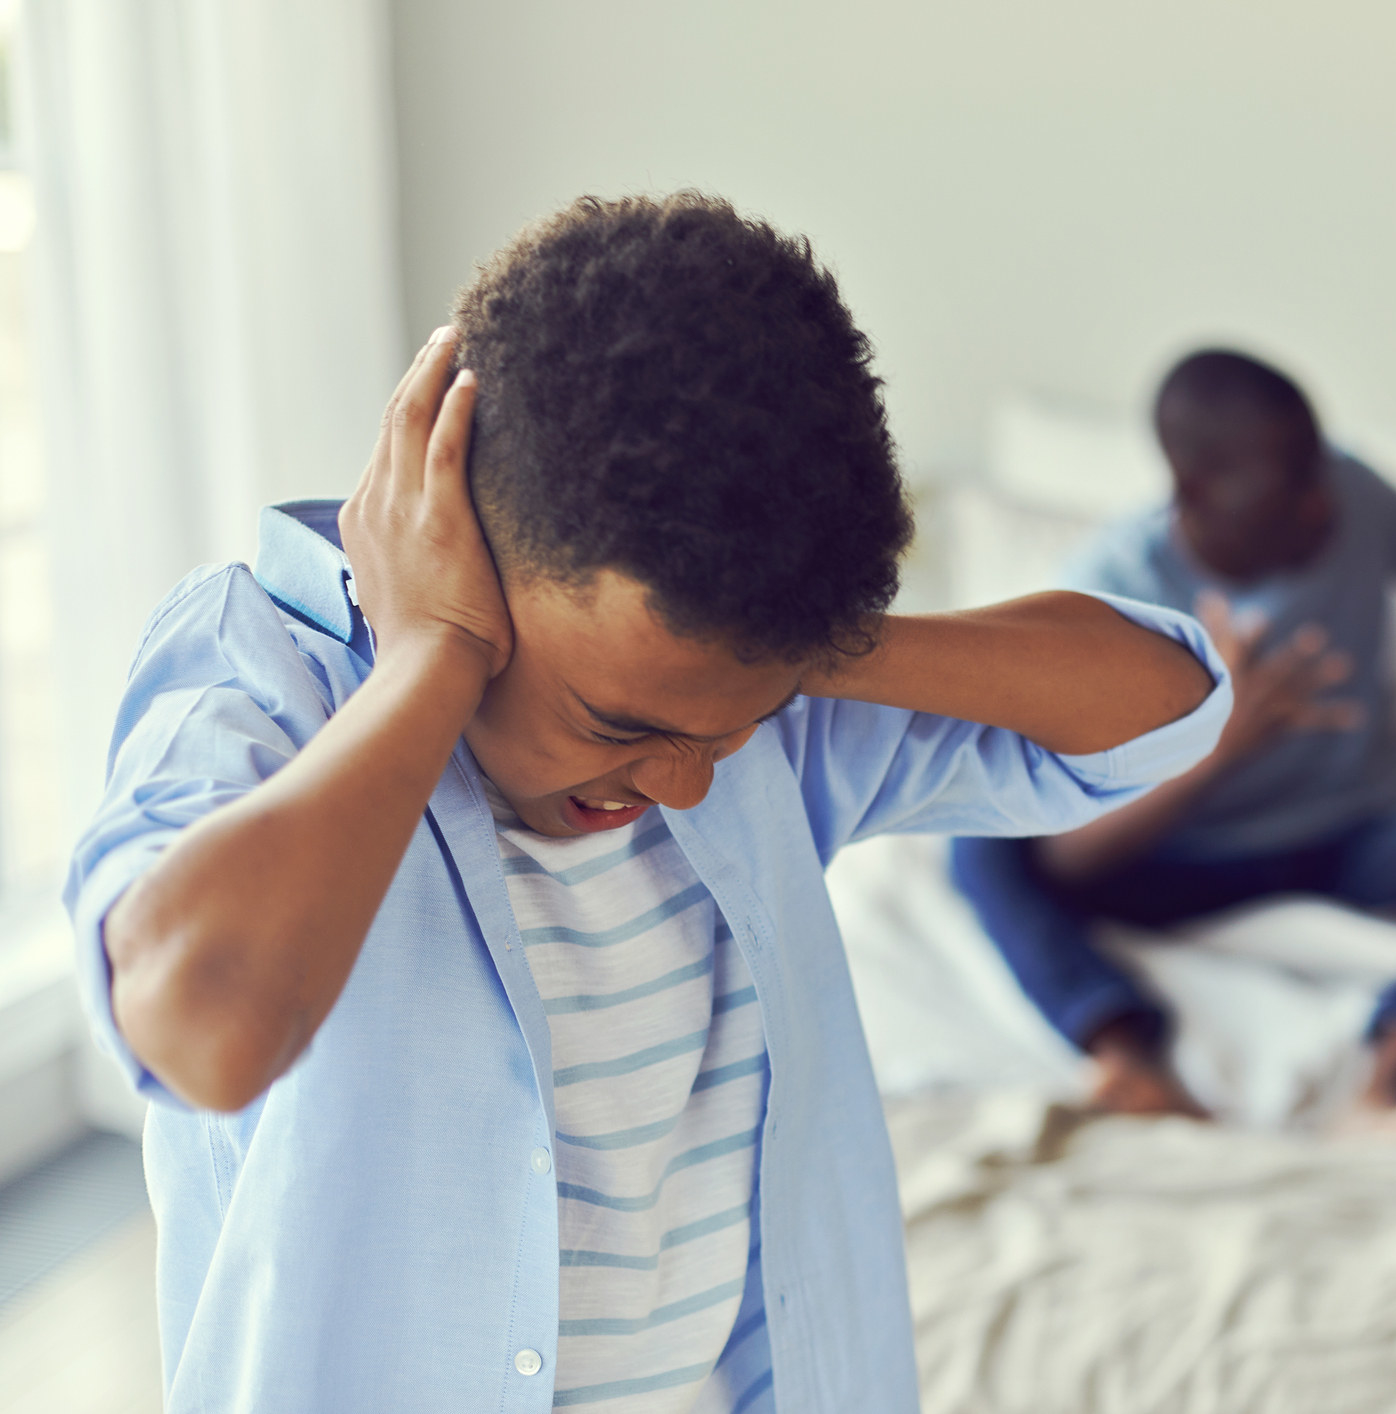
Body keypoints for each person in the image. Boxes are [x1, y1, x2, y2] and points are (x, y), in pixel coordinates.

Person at [65, 194, 1231, 1414]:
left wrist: (788, 651)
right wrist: (429, 658)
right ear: (462, 536)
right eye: (621, 725)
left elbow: (1164, 705)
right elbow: (199, 1027)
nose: (684, 782)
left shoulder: (767, 717)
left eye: (727, 726)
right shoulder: (259, 673)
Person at [949, 349, 1396, 1133]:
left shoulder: (1344, 490)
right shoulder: (1110, 598)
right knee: (977, 838)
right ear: (1195, 491)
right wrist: (1216, 747)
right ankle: (1126, 1060)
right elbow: (1067, 855)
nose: (1321, 507)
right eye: (1289, 492)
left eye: (1316, 469)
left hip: (1357, 832)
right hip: (1185, 855)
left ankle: (1389, 1083)